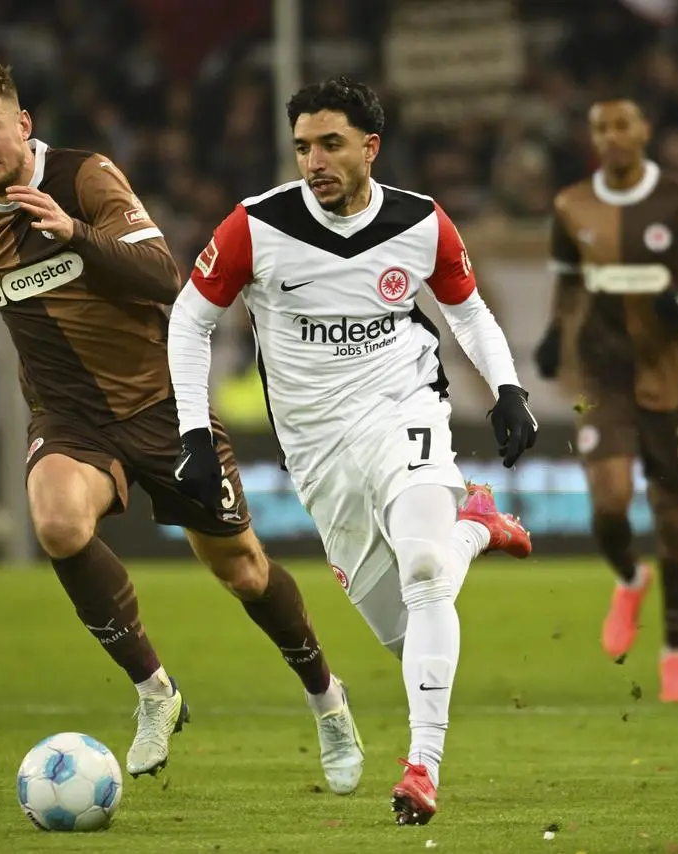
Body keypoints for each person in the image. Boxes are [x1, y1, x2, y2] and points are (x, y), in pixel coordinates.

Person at [0, 64, 363, 792]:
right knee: (58, 524)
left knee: (244, 571)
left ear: (24, 125)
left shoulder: (86, 179)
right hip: (70, 419)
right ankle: (155, 692)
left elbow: (168, 276)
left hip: (163, 407)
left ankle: (327, 699)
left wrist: (73, 236)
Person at [166, 77, 538, 826]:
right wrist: (194, 433)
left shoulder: (422, 223)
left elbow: (468, 311)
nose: (314, 161)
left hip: (405, 407)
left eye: (330, 144)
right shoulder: (253, 227)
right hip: (315, 447)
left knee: (426, 572)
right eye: (302, 146)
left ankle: (422, 770)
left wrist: (507, 388)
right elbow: (188, 321)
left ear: (371, 147)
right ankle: (477, 526)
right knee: (403, 633)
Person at [531, 98, 678, 703]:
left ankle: (675, 650)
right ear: (592, 137)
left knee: (672, 517)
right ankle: (629, 577)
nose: (614, 136)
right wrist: (553, 332)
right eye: (601, 127)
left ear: (645, 130)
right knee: (611, 503)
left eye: (624, 124)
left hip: (672, 377)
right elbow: (570, 280)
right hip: (603, 378)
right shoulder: (572, 205)